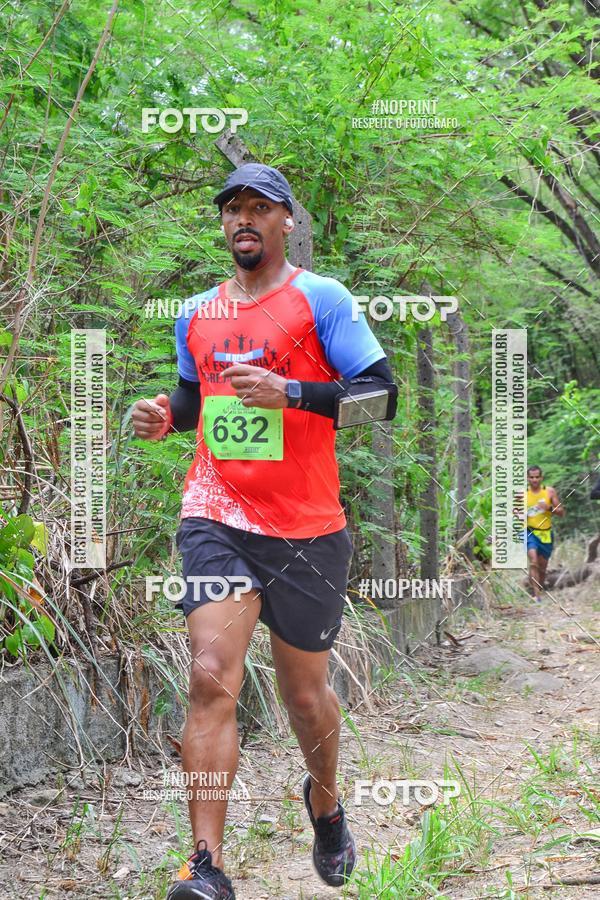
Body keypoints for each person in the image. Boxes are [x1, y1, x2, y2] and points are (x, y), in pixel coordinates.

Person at [132, 163, 398, 900]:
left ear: (286, 221)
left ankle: (324, 800)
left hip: (308, 528)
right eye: (233, 209)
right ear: (223, 225)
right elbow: (194, 401)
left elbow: (384, 399)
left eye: (260, 207)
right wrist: (166, 416)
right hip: (216, 512)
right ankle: (204, 865)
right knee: (211, 677)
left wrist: (296, 394)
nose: (244, 219)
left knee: (304, 697)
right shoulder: (196, 314)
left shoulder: (324, 300)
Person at [526, 465, 565, 602]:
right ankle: (536, 595)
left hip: (545, 533)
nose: (534, 480)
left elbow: (561, 513)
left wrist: (548, 508)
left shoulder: (549, 492)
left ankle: (538, 588)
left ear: (541, 478)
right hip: (529, 531)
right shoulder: (522, 494)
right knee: (533, 560)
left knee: (542, 567)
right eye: (531, 477)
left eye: (537, 477)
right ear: (527, 478)